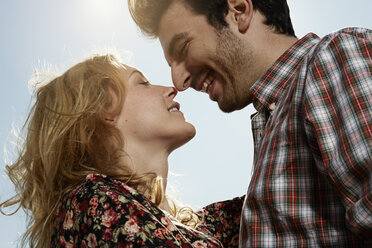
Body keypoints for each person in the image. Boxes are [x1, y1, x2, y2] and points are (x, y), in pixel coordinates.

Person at [128, 0, 372, 246]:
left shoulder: (330, 59)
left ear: (239, 11)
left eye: (182, 47)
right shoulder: (276, 121)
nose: (179, 81)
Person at [0, 54, 243, 248]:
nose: (171, 88)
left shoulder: (195, 224)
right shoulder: (91, 203)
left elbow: (268, 196)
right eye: (143, 83)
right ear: (104, 110)